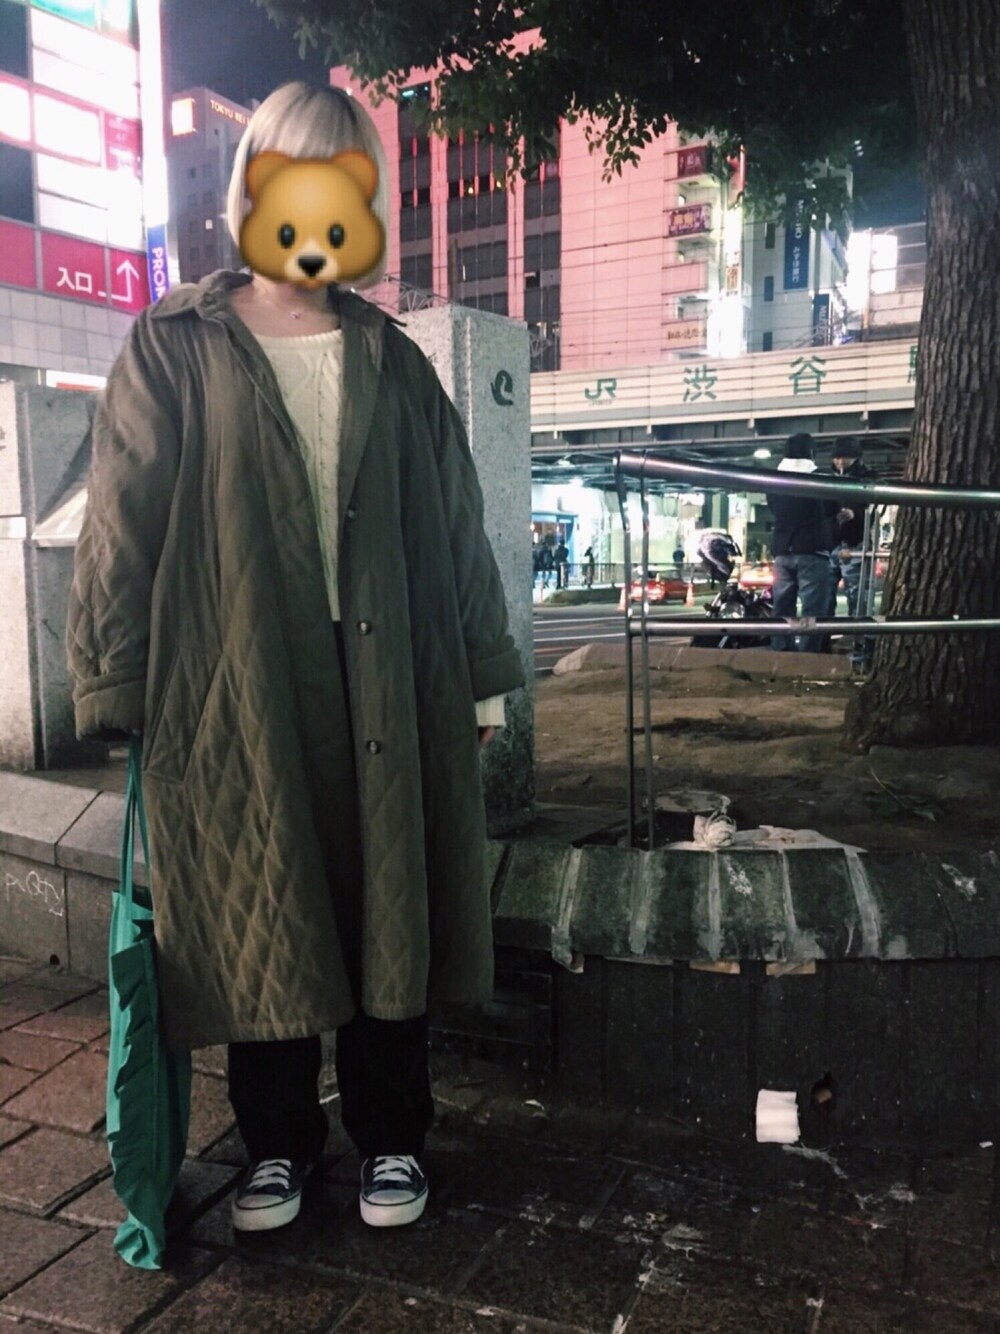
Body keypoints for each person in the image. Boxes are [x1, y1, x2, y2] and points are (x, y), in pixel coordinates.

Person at [66, 82, 524, 1236]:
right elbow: (123, 517)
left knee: (386, 903)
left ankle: (391, 1131)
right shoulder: (177, 342)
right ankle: (275, 1139)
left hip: (387, 672)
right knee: (257, 898)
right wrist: (115, 681)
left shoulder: (392, 359)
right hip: (236, 675)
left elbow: (454, 519)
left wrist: (480, 672)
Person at [765, 433, 839, 652]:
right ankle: (807, 657)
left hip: (782, 549)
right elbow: (832, 507)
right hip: (812, 549)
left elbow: (773, 508)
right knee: (813, 610)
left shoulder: (775, 480)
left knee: (782, 607)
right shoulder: (818, 478)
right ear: (811, 453)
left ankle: (781, 652)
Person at [827, 436, 875, 666]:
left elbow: (874, 505)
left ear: (856, 457)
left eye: (844, 457)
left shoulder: (868, 478)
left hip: (855, 543)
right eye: (836, 457)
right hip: (831, 544)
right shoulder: (826, 477)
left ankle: (860, 651)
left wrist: (856, 512)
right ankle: (824, 649)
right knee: (824, 601)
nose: (839, 462)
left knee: (858, 602)